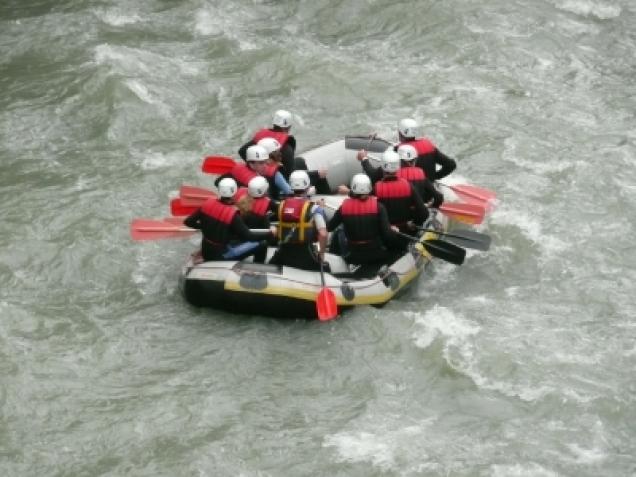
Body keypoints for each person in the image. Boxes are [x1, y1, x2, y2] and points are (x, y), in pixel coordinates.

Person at [184, 178, 275, 263]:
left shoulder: (207, 204)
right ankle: (258, 271)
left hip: (206, 251)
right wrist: (270, 233)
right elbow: (248, 236)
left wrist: (204, 226)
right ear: (235, 192)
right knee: (262, 244)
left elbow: (188, 222)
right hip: (221, 256)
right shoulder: (233, 215)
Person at [327, 173, 402, 270]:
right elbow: (387, 236)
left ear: (353, 188)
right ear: (369, 188)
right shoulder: (379, 207)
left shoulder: (343, 208)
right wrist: (393, 233)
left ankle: (334, 257)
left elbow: (329, 227)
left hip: (353, 256)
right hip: (377, 255)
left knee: (339, 230)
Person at [269, 170, 328, 271]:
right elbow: (323, 234)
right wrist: (321, 254)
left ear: (291, 186)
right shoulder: (314, 208)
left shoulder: (281, 205)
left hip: (284, 252)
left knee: (270, 264)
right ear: (308, 187)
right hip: (304, 253)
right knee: (327, 268)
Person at [373, 149, 429, 243]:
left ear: (382, 167)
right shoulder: (408, 185)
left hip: (386, 235)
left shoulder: (376, 188)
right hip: (407, 232)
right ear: (398, 167)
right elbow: (424, 213)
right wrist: (414, 223)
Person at [238, 110, 297, 179]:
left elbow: (242, 151)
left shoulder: (262, 135)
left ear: (274, 124)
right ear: (289, 127)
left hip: (262, 175)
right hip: (278, 178)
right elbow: (291, 173)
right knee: (300, 161)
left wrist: (255, 167)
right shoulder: (287, 148)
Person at [227, 144, 292, 200]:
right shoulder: (255, 181)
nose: (265, 166)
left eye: (265, 161)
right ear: (251, 163)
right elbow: (289, 192)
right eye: (261, 163)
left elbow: (289, 192)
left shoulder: (238, 168)